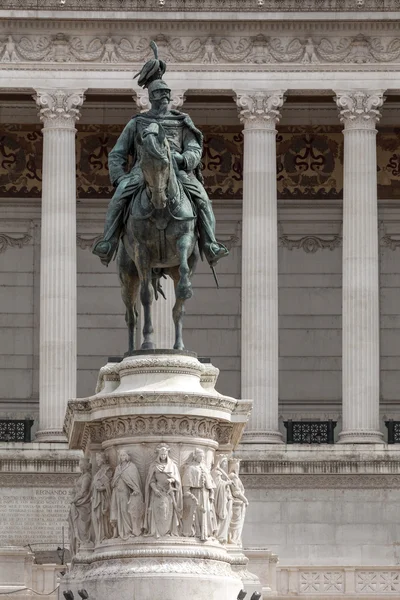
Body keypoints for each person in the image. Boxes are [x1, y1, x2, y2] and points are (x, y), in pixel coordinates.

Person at [92, 43, 228, 269]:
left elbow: (194, 149)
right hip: (142, 173)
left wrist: (183, 160)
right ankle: (108, 241)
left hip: (178, 172)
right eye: (159, 96)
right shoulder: (138, 123)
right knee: (118, 198)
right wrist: (119, 179)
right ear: (151, 98)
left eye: (166, 96)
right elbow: (117, 154)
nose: (164, 100)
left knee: (203, 199)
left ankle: (211, 244)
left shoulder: (181, 121)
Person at [144, 444, 182, 538]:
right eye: (161, 454)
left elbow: (177, 479)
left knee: (167, 512)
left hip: (168, 492)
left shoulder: (172, 466)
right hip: (157, 491)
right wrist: (155, 489)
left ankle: (168, 531)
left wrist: (171, 480)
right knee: (157, 511)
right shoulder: (154, 466)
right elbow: (151, 480)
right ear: (158, 454)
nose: (163, 456)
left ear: (167, 454)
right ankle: (155, 531)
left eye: (165, 454)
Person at [181, 448, 217, 541]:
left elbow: (210, 483)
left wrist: (211, 493)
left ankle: (206, 533)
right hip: (196, 493)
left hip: (205, 494)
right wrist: (190, 495)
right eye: (200, 456)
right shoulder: (190, 468)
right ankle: (197, 533)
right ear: (195, 456)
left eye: (203, 456)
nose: (202, 458)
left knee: (208, 511)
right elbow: (186, 486)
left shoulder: (204, 467)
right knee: (197, 513)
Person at [110, 449, 144, 540]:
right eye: (121, 456)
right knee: (119, 511)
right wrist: (115, 483)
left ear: (127, 456)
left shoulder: (131, 467)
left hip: (126, 492)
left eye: (124, 455)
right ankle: (121, 531)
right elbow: (113, 481)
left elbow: (135, 481)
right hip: (117, 493)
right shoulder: (118, 468)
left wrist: (135, 489)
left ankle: (128, 530)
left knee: (126, 511)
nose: (122, 457)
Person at [68, 458, 92, 557]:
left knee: (83, 526)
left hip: (83, 504)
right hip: (78, 504)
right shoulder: (81, 477)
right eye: (80, 464)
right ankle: (80, 545)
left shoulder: (87, 477)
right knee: (78, 526)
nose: (80, 466)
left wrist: (74, 500)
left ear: (87, 465)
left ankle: (85, 543)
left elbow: (83, 491)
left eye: (82, 464)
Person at [91, 452, 113, 545]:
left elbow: (110, 484)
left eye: (98, 459)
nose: (97, 461)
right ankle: (99, 537)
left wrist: (102, 488)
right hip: (96, 497)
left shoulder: (108, 469)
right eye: (96, 460)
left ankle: (105, 535)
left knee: (102, 516)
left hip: (103, 497)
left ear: (103, 459)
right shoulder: (98, 472)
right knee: (97, 517)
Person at [212, 454, 233, 544]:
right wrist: (227, 483)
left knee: (226, 516)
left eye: (226, 463)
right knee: (221, 516)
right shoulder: (216, 472)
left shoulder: (223, 474)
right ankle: (218, 534)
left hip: (225, 499)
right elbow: (216, 485)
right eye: (223, 462)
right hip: (219, 499)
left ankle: (222, 535)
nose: (225, 465)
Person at [228, 459, 249, 546]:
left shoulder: (231, 476)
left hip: (236, 504)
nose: (238, 467)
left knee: (235, 525)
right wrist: (245, 500)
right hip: (237, 504)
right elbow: (236, 492)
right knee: (235, 525)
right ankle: (233, 539)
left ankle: (233, 539)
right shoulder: (233, 477)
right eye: (237, 465)